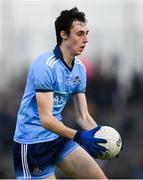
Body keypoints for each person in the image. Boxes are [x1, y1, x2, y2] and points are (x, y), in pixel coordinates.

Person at [13, 7, 108, 179]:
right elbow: (46, 119)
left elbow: (83, 117)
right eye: (80, 33)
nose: (86, 39)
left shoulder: (79, 68)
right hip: (33, 145)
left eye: (87, 33)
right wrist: (79, 136)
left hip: (58, 138)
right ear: (63, 34)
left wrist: (103, 137)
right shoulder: (44, 66)